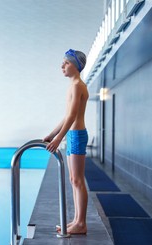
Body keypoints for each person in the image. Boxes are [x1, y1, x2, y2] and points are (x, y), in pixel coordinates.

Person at [43, 49, 89, 235]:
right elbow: (66, 116)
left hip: (76, 135)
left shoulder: (78, 86)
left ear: (76, 66)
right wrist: (52, 134)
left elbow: (71, 116)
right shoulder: (73, 85)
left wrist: (58, 138)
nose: (62, 66)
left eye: (67, 63)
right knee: (73, 180)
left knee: (77, 180)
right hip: (72, 134)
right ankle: (77, 220)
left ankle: (81, 223)